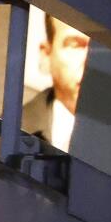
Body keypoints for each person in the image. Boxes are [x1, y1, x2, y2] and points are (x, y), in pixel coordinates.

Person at [22, 13, 90, 152]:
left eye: (102, 47)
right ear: (46, 55)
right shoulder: (9, 130)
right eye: (75, 45)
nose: (89, 59)